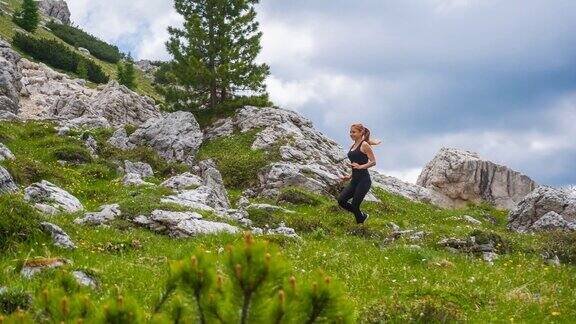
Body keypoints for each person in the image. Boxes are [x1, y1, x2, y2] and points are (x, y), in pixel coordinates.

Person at [338, 123, 381, 224]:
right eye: (350, 132)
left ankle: (360, 224)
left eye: (354, 132)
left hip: (364, 181)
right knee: (341, 200)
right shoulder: (352, 145)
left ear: (361, 132)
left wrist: (361, 167)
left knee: (355, 205)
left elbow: (373, 161)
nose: (351, 134)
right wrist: (349, 176)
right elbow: (354, 164)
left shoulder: (365, 145)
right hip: (354, 180)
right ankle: (362, 216)